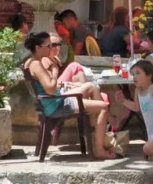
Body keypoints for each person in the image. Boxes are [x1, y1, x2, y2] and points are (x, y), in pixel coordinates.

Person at [22, 31, 112, 159]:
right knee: (103, 106)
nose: (51, 48)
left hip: (52, 101)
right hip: (56, 105)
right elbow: (50, 89)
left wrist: (67, 85)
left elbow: (49, 87)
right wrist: (54, 71)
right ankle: (99, 148)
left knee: (90, 88)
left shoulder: (30, 61)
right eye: (48, 46)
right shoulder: (36, 64)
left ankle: (97, 138)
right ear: (37, 48)